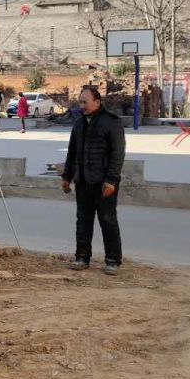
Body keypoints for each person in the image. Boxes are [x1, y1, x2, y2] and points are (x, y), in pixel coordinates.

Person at [61, 86, 125, 275]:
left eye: (85, 102)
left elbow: (118, 154)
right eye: (80, 102)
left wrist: (111, 180)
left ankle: (113, 260)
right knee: (83, 221)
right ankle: (82, 257)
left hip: (104, 182)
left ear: (97, 102)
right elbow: (72, 152)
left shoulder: (111, 123)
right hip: (83, 181)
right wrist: (67, 176)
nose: (82, 106)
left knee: (108, 220)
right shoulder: (79, 123)